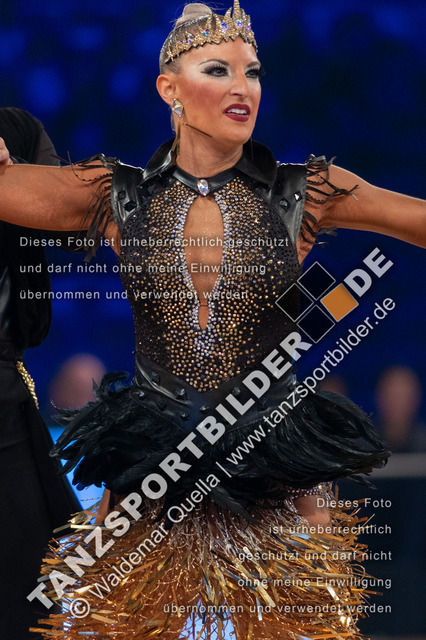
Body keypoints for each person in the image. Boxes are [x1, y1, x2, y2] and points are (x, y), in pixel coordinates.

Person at [0, 3, 425, 638]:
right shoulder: (116, 194)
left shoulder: (304, 191)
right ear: (168, 88)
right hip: (150, 457)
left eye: (253, 72)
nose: (242, 87)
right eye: (218, 70)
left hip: (276, 449)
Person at [0, 107, 81, 640]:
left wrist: (17, 179)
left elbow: (78, 228)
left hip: (3, 398)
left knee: (28, 597)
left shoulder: (18, 131)